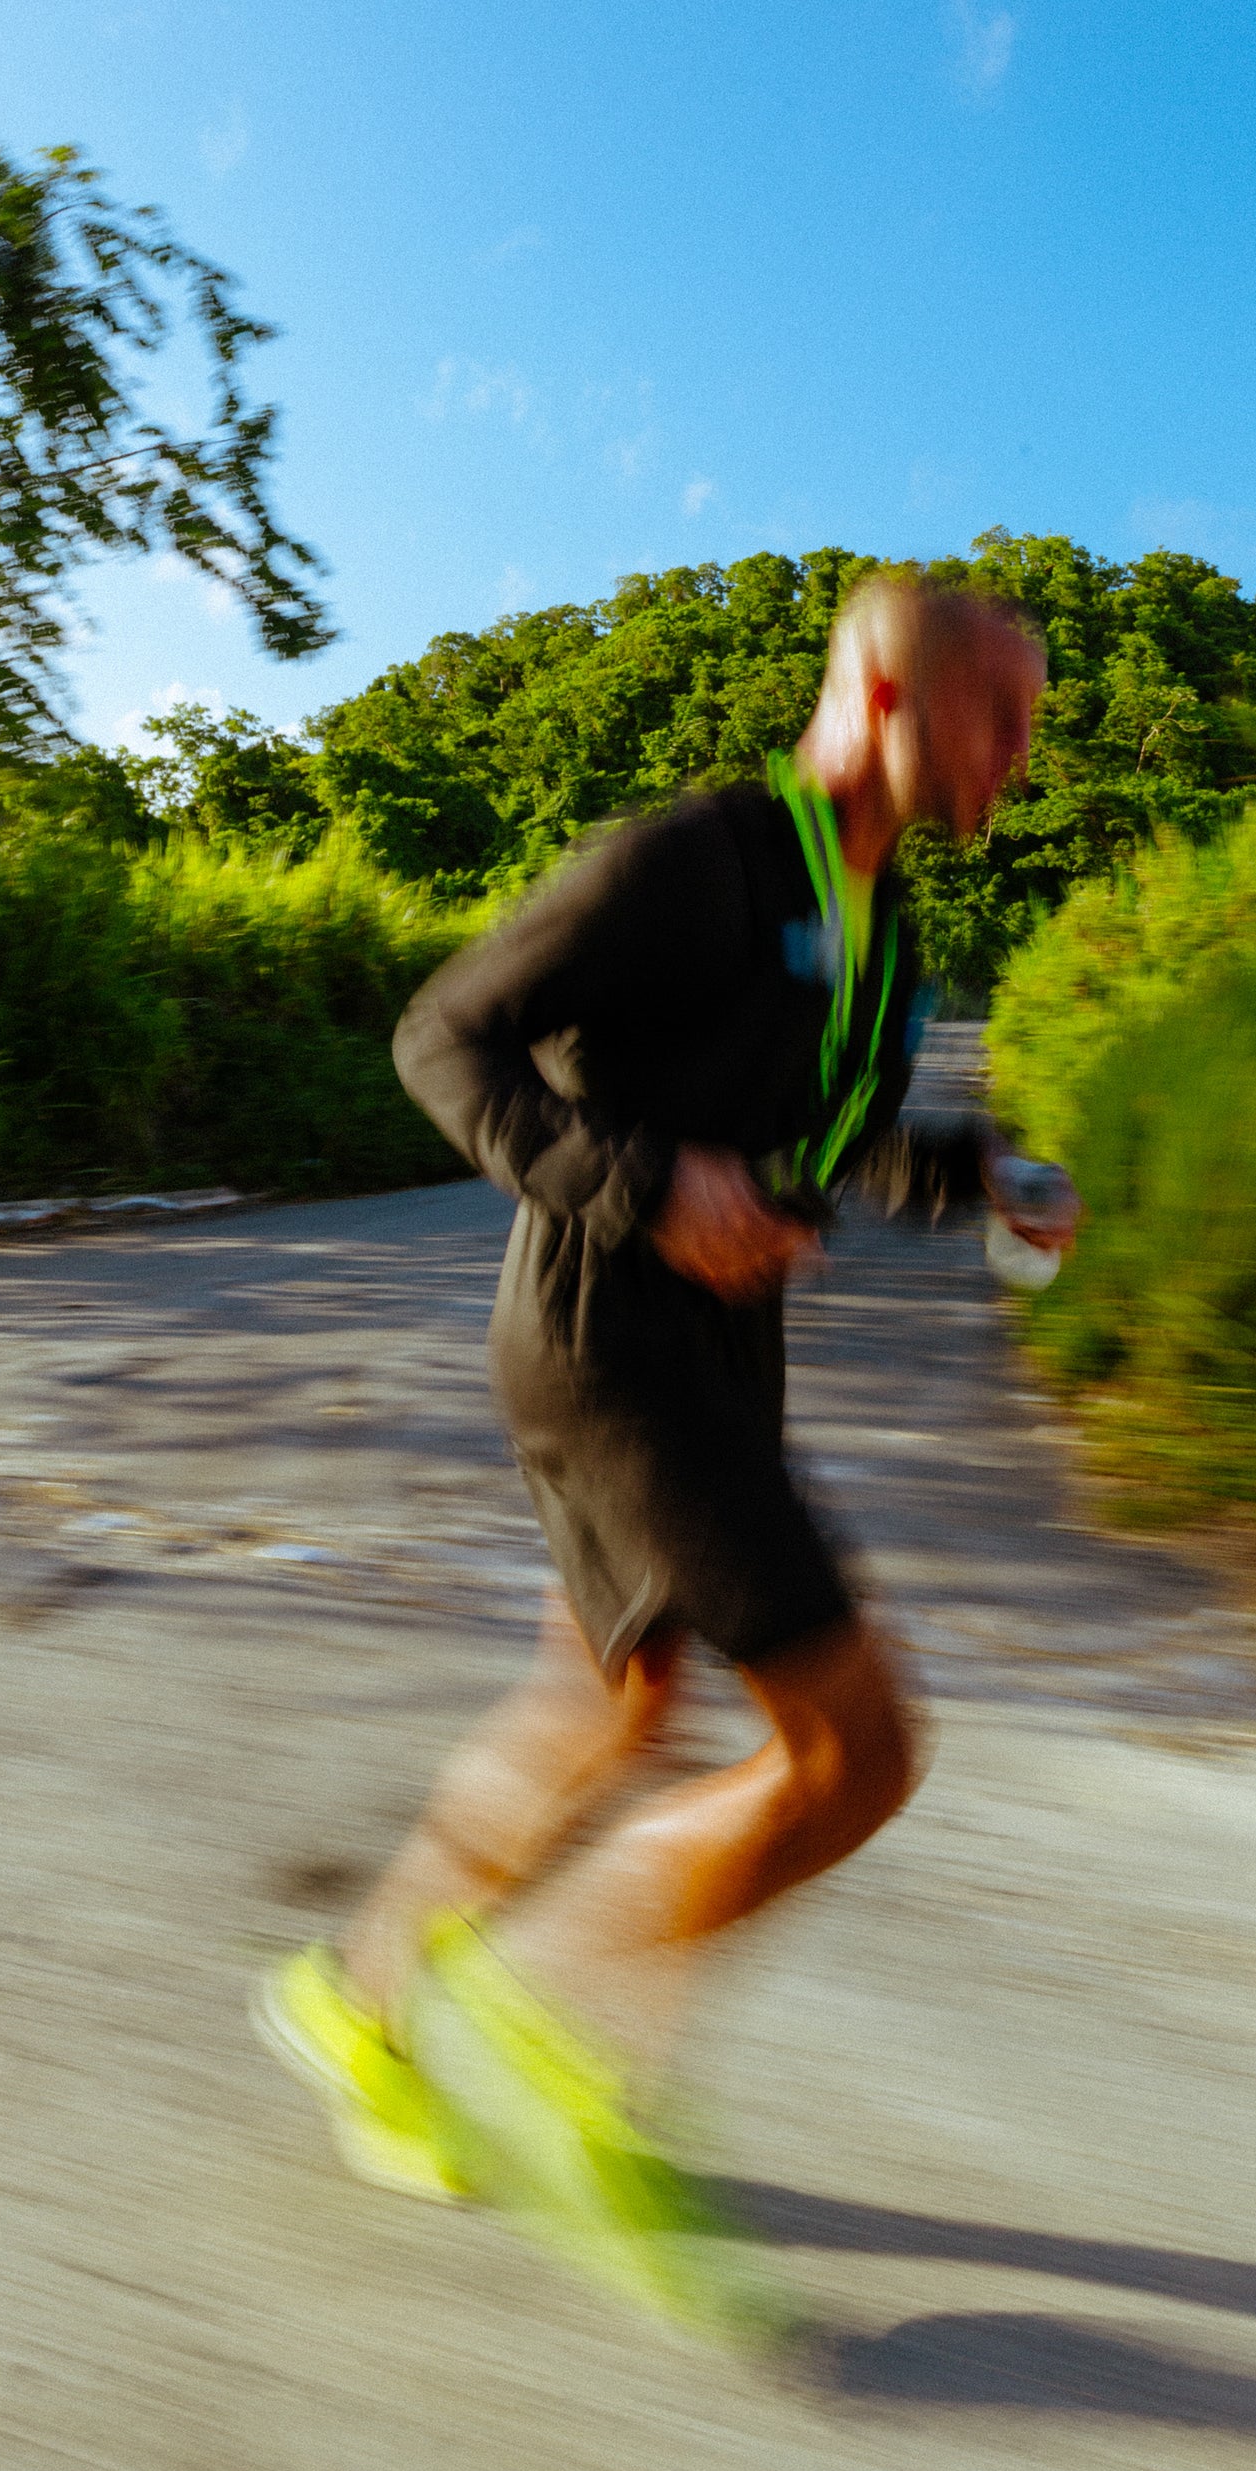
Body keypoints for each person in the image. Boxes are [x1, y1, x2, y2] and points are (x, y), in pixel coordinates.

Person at [254, 573, 1077, 2336]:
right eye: (999, 715)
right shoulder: (690, 861)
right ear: (882, 695)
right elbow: (443, 1037)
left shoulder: (886, 931)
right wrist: (640, 1185)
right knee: (856, 1746)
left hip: (713, 1349)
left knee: (613, 1713)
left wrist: (980, 1173)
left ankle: (361, 1998)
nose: (1023, 756)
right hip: (603, 1341)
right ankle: (555, 2032)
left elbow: (834, 1141)